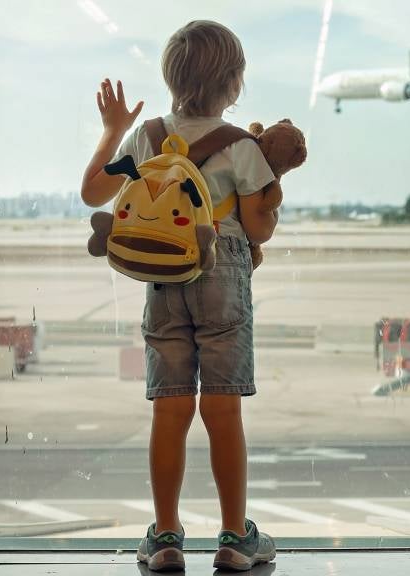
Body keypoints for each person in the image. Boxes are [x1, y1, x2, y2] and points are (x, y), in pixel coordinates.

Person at [80, 20, 279, 572]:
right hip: (222, 276)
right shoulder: (242, 146)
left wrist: (113, 129)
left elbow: (93, 191)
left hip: (165, 280)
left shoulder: (146, 137)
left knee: (170, 407)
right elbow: (258, 229)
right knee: (222, 406)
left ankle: (166, 537)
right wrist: (270, 199)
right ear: (234, 84)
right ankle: (235, 538)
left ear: (170, 79)